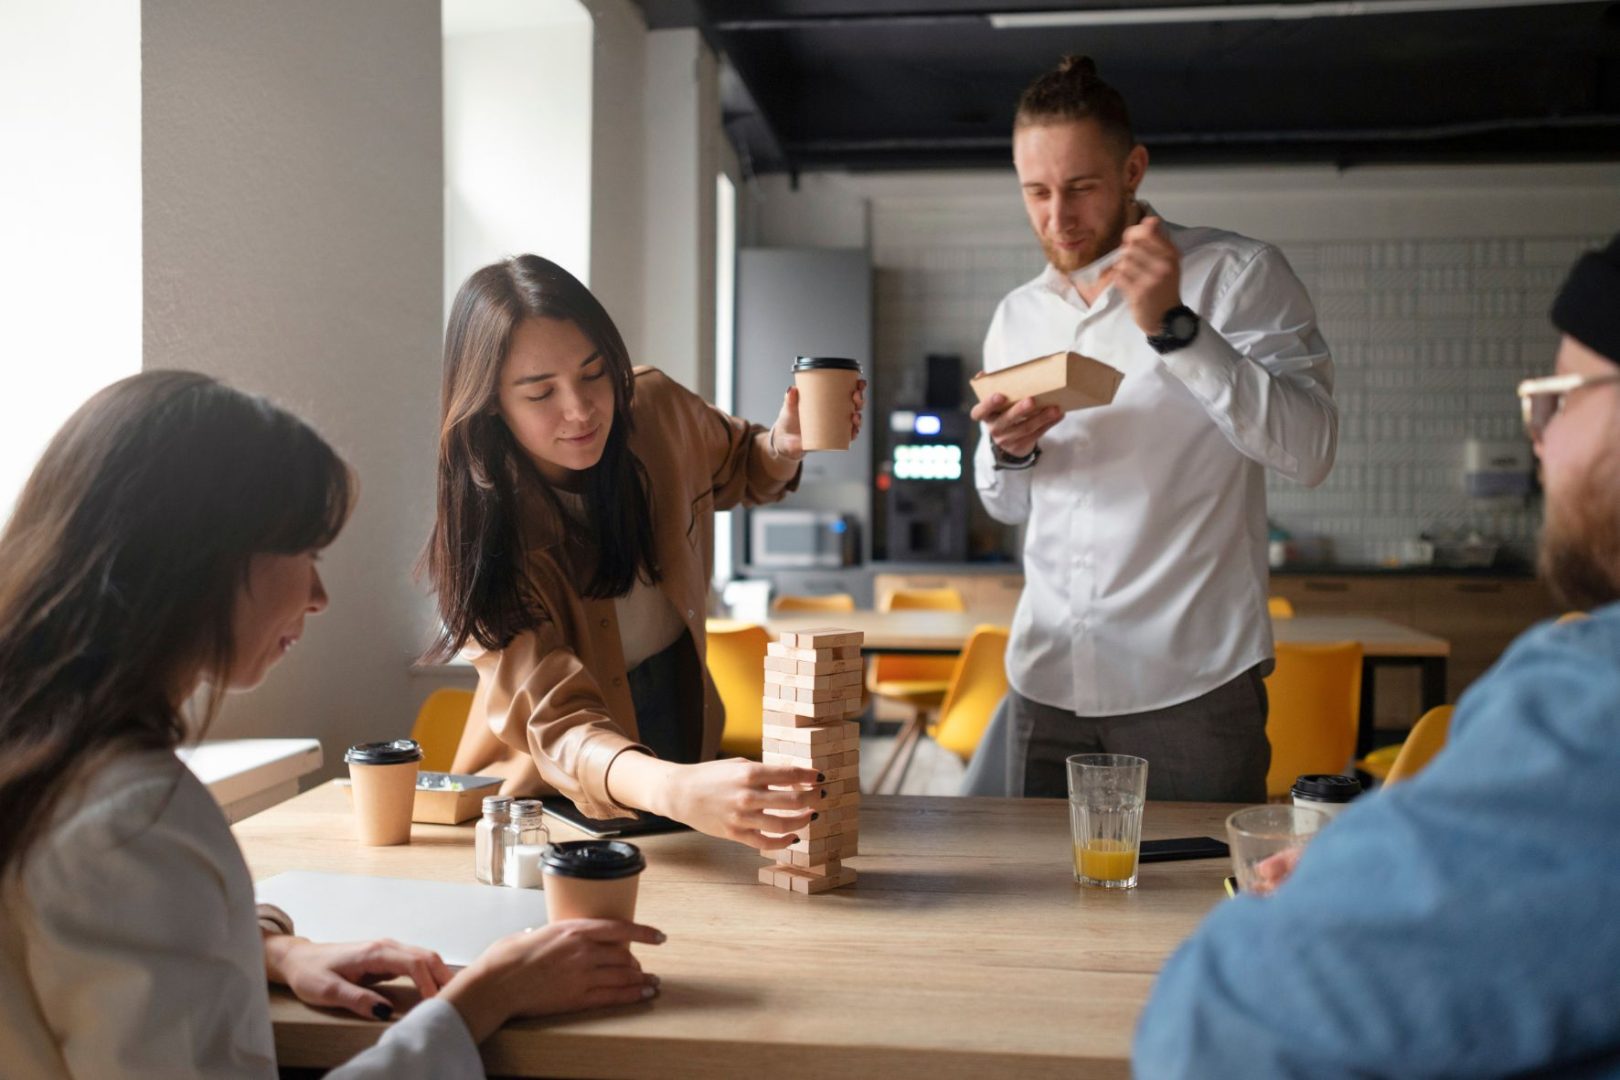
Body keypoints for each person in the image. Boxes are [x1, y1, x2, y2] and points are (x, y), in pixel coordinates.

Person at [0, 371, 662, 1078]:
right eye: (308, 555)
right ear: (202, 559)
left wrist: (270, 950)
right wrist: (484, 998)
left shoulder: (49, 763)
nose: (318, 596)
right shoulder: (131, 823)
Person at [1133, 236, 1620, 1077]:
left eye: (1559, 401)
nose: (1540, 442)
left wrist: (1349, 888)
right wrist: (1378, 864)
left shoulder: (1588, 711)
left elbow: (1215, 1024)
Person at [967, 55, 1338, 801]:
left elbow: (1312, 450)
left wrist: (1176, 327)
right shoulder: (1018, 315)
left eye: (1081, 188)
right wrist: (1012, 452)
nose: (1057, 218)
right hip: (1047, 682)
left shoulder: (1236, 276)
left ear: (1133, 168)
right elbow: (1005, 504)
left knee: (1192, 914)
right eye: (1035, 192)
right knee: (1037, 915)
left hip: (1191, 688)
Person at [431, 255, 865, 847]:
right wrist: (673, 788)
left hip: (683, 715)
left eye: (593, 373)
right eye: (540, 394)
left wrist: (784, 446)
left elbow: (740, 464)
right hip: (561, 781)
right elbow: (561, 725)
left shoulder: (657, 410)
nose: (581, 410)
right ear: (490, 406)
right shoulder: (487, 533)